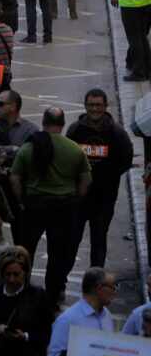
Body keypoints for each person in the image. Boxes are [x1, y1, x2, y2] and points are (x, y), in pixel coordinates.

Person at [8, 107, 90, 302]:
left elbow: (15, 178)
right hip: (63, 206)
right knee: (58, 252)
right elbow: (86, 180)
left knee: (26, 249)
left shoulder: (29, 148)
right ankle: (53, 293)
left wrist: (21, 200)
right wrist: (76, 198)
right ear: (62, 125)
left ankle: (21, 288)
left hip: (35, 205)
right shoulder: (74, 149)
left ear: (43, 123)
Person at [64, 88, 134, 269]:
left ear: (105, 106)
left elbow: (126, 160)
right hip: (79, 199)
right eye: (91, 105)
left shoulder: (117, 134)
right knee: (70, 242)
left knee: (98, 241)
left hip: (104, 200)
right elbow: (66, 159)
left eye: (98, 105)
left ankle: (96, 284)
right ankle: (60, 283)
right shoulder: (75, 131)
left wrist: (107, 177)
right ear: (85, 106)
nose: (94, 109)